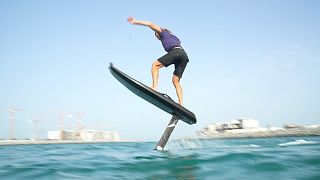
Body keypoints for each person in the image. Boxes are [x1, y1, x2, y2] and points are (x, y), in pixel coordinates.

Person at [127, 16, 189, 106]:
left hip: (176, 52)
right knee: (175, 81)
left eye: (156, 34)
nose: (156, 36)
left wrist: (135, 21)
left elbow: (150, 24)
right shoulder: (174, 37)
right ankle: (181, 103)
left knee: (155, 65)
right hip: (184, 55)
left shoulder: (163, 32)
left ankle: (154, 87)